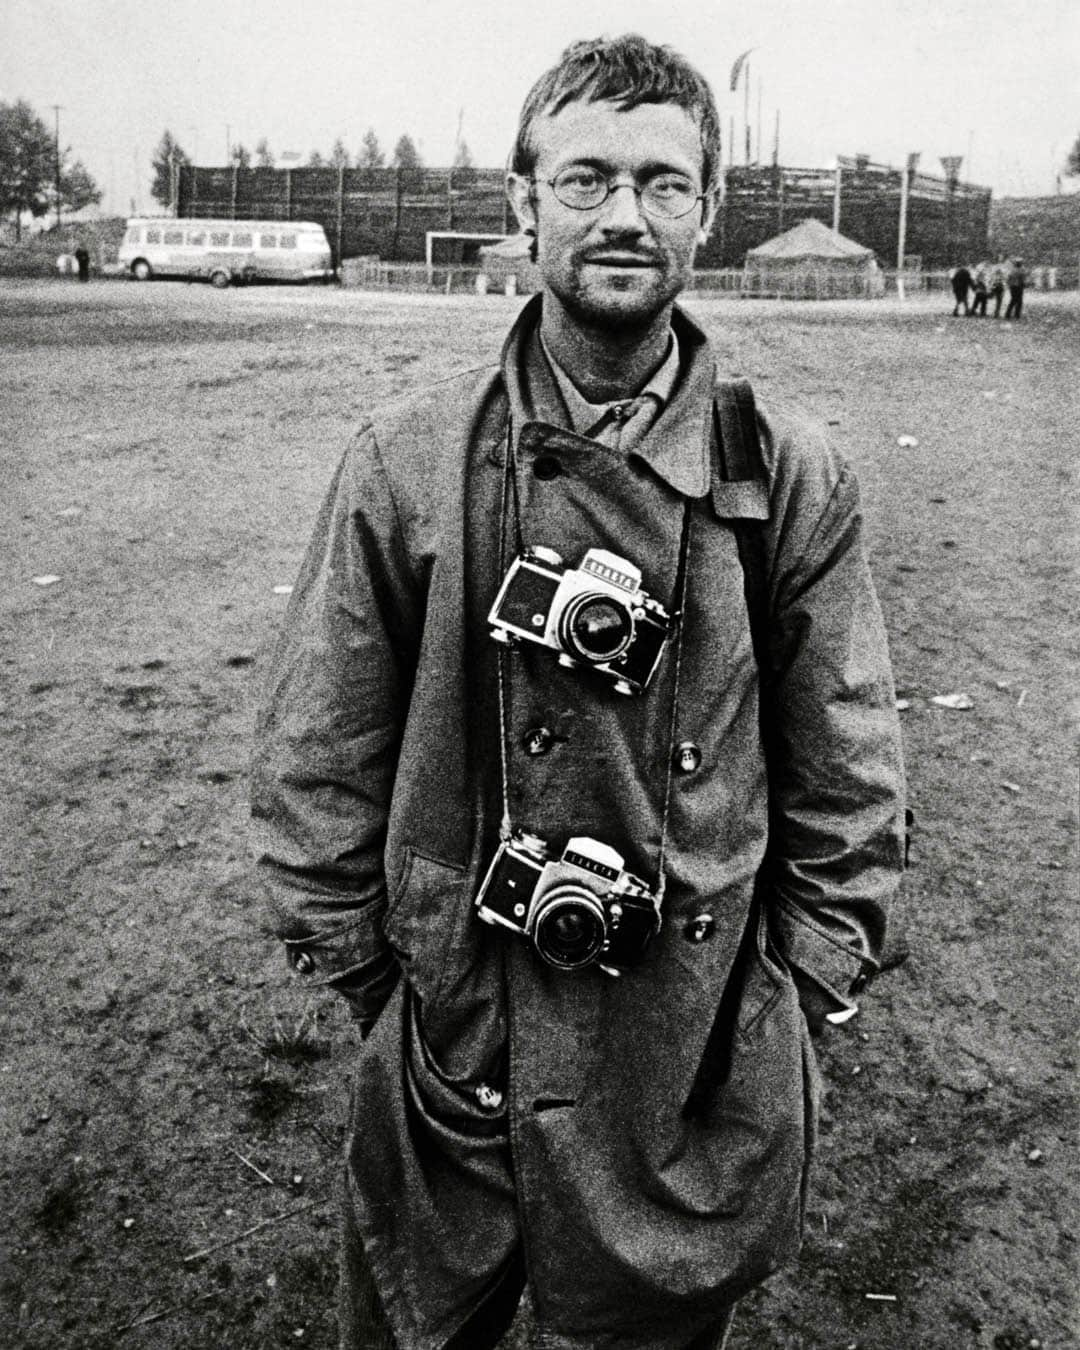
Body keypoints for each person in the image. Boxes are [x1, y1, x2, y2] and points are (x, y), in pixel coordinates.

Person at [251, 33, 907, 1350]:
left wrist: (796, 994)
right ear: (521, 202)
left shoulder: (788, 469)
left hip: (687, 1044)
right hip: (457, 1034)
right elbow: (315, 755)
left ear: (710, 210)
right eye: (587, 177)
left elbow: (851, 764)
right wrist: (396, 990)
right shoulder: (411, 457)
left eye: (665, 183)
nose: (625, 214)